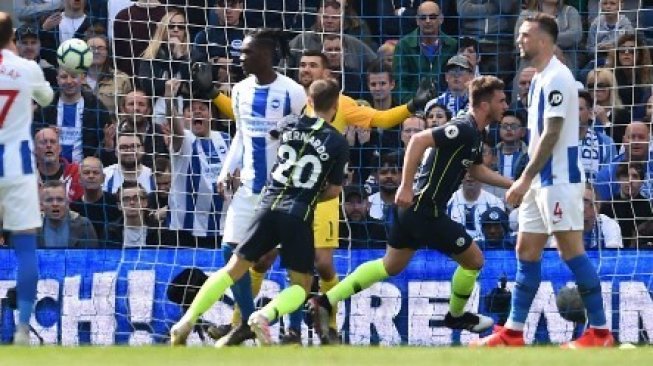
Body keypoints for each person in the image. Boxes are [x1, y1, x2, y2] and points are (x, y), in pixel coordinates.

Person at [193, 48, 434, 344]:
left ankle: (327, 322)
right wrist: (214, 94)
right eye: (303, 65)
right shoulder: (291, 98)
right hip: (284, 194)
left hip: (320, 197)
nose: (305, 69)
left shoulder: (340, 104)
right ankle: (240, 323)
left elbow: (380, 119)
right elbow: (247, 118)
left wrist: (412, 106)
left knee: (321, 263)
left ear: (326, 73)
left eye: (313, 66)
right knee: (261, 261)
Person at [309, 75, 513, 344]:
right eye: (501, 100)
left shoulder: (476, 132)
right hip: (425, 211)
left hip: (412, 213)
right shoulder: (463, 127)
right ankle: (455, 315)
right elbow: (418, 141)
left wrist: (513, 184)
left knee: (389, 266)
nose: (506, 105)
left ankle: (325, 301)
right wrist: (405, 186)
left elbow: (474, 168)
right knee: (474, 260)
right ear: (485, 105)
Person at [170, 79, 349, 346]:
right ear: (335, 105)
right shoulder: (337, 141)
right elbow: (334, 191)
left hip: (266, 205)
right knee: (300, 285)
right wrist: (310, 194)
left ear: (308, 102)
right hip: (298, 213)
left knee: (232, 269)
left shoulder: (288, 124)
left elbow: (267, 142)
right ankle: (264, 316)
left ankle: (187, 319)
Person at [474, 13, 614, 348]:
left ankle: (600, 332)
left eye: (525, 35)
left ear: (544, 39)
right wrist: (529, 179)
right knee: (526, 249)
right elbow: (538, 134)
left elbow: (552, 133)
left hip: (560, 179)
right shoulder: (537, 78)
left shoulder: (559, 78)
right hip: (540, 181)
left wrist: (524, 177)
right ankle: (513, 331)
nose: (519, 39)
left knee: (570, 251)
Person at [200, 29, 306, 346]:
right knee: (229, 251)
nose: (241, 57)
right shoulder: (239, 90)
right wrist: (226, 169)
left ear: (267, 54)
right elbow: (242, 135)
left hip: (284, 191)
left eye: (247, 52)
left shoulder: (293, 92)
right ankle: (247, 321)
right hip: (248, 189)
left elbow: (306, 138)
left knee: (294, 262)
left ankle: (294, 330)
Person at [0, 12, 54, 344]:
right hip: (17, 166)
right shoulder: (27, 68)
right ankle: (22, 329)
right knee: (25, 247)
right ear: (13, 37)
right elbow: (47, 98)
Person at [166, 80, 231, 249]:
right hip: (187, 227)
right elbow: (175, 128)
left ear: (210, 115)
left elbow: (235, 173)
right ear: (184, 118)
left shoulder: (225, 138)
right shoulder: (184, 138)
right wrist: (168, 100)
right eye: (190, 110)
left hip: (222, 225)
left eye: (202, 109)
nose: (197, 112)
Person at [70, 157, 121, 246]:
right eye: (86, 172)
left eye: (96, 173)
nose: (91, 176)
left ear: (103, 178)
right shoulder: (74, 208)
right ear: (79, 179)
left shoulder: (114, 203)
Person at [38, 180, 98, 248]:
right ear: (41, 205)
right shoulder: (34, 228)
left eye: (60, 199)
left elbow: (91, 256)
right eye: (49, 200)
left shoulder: (83, 225)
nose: (55, 204)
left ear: (67, 202)